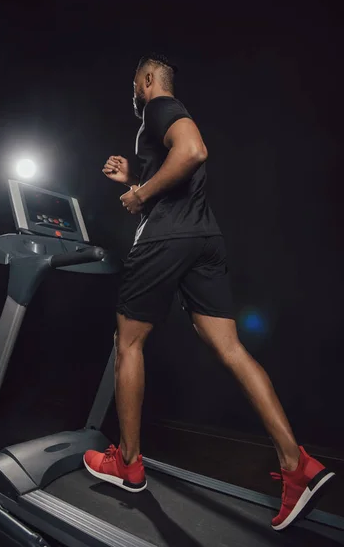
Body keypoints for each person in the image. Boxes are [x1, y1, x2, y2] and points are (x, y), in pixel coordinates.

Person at [83, 53, 335, 531]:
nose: (133, 91)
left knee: (129, 342)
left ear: (150, 79)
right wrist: (133, 183)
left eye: (136, 82)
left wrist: (138, 196)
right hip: (204, 240)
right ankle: (296, 465)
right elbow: (175, 189)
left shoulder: (159, 107)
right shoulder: (158, 123)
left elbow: (194, 151)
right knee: (231, 348)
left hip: (168, 241)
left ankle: (129, 464)